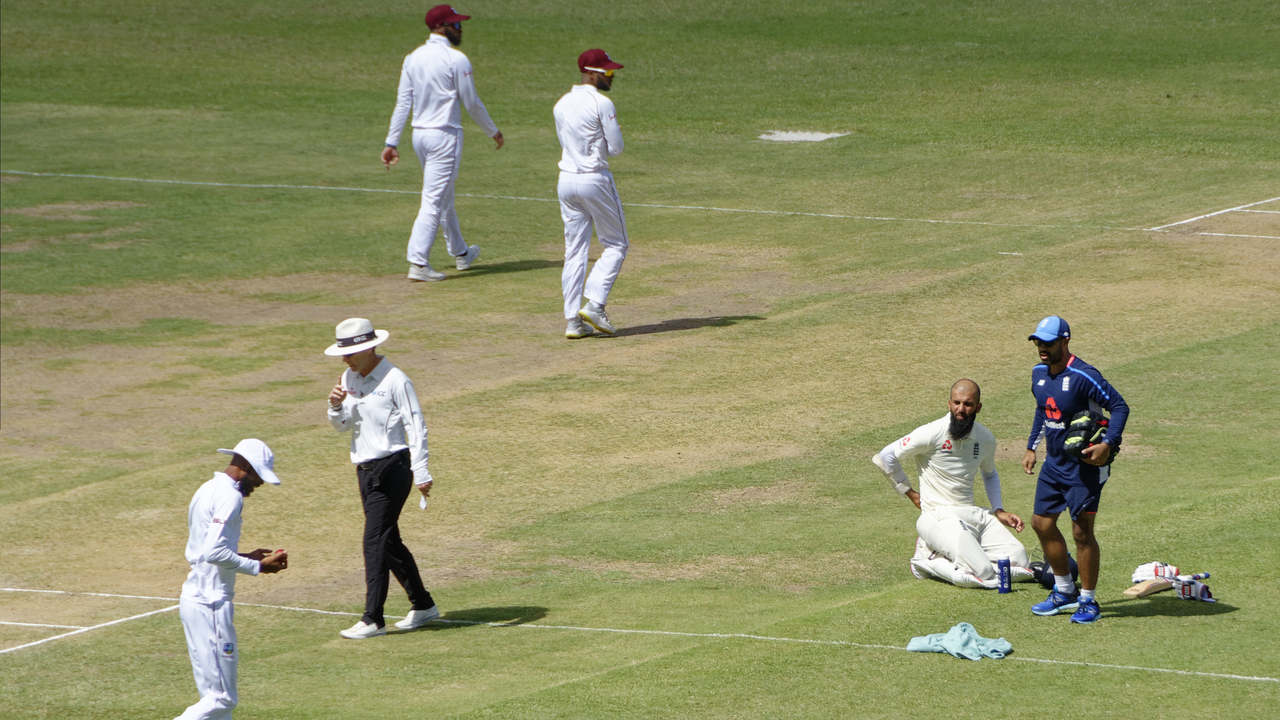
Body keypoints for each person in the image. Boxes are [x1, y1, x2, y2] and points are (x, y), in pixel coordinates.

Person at [325, 318, 439, 638]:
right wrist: (335, 406)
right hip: (364, 470)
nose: (344, 359)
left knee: (373, 541)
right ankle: (423, 604)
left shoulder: (395, 380)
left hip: (393, 467)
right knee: (387, 541)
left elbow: (417, 426)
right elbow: (344, 425)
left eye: (350, 352)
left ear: (369, 347)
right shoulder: (349, 377)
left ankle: (373, 618)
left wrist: (422, 471)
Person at [382, 4, 504, 282]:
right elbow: (470, 102)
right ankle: (418, 262)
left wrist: (392, 141)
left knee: (443, 196)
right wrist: (492, 131)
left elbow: (404, 102)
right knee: (434, 201)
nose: (461, 29)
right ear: (441, 27)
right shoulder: (456, 59)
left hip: (420, 137)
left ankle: (461, 253)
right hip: (444, 137)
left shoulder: (412, 58)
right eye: (456, 25)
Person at [872, 380, 1032, 589]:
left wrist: (999, 510)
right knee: (983, 574)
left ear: (978, 407)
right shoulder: (932, 433)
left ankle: (960, 555)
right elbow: (885, 457)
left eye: (968, 404)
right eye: (956, 403)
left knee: (1020, 561)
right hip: (938, 516)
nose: (961, 409)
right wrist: (910, 493)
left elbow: (990, 474)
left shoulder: (985, 439)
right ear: (949, 403)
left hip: (973, 515)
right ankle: (923, 560)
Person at [1021, 316, 1129, 624]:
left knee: (1082, 532)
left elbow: (1119, 406)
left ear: (1065, 341)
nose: (1042, 348)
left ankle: (1088, 600)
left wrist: (1108, 443)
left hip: (1085, 469)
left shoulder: (1084, 375)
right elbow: (1043, 410)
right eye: (1038, 342)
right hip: (1054, 464)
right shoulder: (1038, 373)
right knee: (1041, 523)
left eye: (1049, 343)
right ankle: (1064, 591)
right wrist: (1032, 447)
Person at [177, 439, 287, 720]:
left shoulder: (207, 488)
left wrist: (244, 555)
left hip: (195, 601)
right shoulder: (230, 496)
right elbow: (213, 552)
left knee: (212, 701)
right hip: (211, 604)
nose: (261, 482)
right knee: (221, 699)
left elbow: (205, 550)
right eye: (259, 474)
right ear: (246, 465)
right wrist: (257, 565)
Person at [554, 49, 629, 338]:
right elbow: (617, 148)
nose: (612, 77)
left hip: (566, 180)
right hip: (594, 179)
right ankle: (595, 304)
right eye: (607, 73)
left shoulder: (561, 104)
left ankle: (573, 321)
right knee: (617, 244)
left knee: (574, 251)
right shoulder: (602, 102)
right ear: (591, 72)